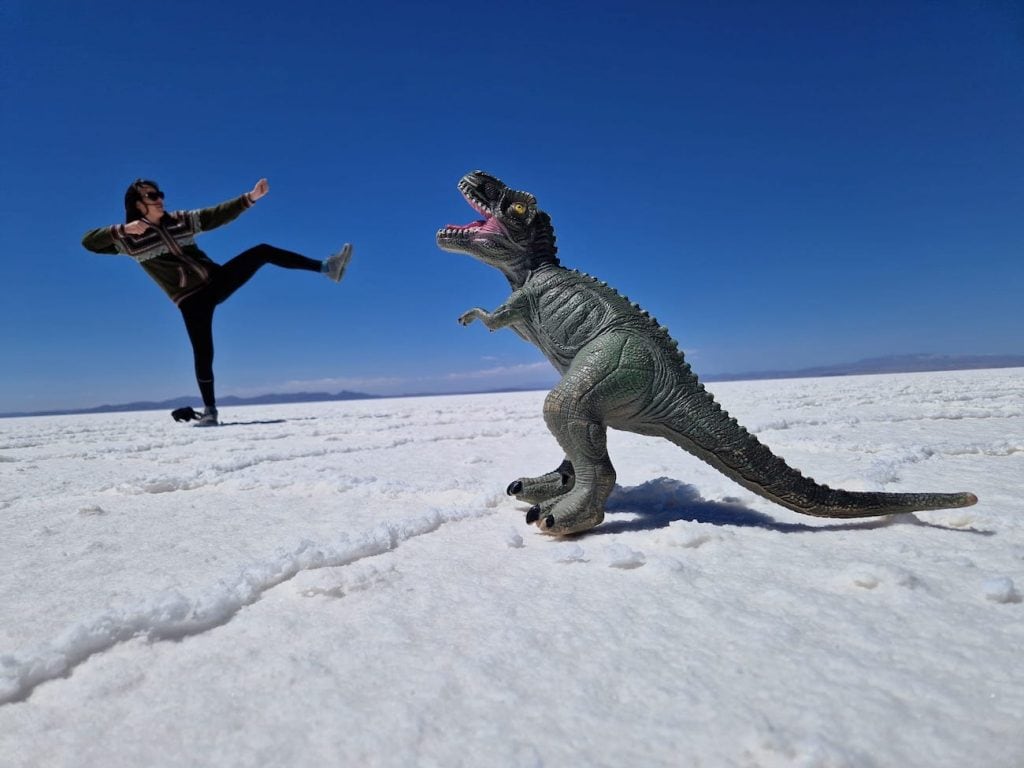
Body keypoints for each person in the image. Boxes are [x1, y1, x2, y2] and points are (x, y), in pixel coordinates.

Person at [82, 177, 352, 427]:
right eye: (153, 195)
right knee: (203, 353)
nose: (161, 198)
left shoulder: (179, 220)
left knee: (262, 251)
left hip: (216, 281)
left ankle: (327, 268)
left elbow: (215, 215)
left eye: (160, 193)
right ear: (138, 204)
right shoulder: (129, 240)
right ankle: (210, 412)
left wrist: (250, 197)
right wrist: (120, 230)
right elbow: (89, 243)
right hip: (190, 299)